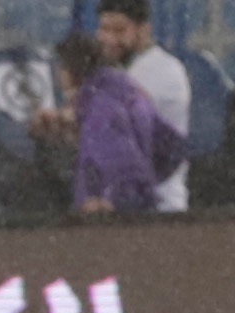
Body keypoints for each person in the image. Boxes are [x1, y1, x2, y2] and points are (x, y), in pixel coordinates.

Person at [58, 34, 183, 216]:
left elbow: (125, 171)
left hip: (118, 226)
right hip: (144, 219)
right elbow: (171, 148)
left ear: (70, 72)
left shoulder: (100, 112)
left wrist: (115, 202)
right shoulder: (126, 93)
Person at [99, 0, 192, 211]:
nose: (109, 39)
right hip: (120, 208)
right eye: (104, 29)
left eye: (119, 30)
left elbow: (114, 115)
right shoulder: (115, 70)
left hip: (161, 210)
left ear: (144, 29)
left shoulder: (164, 69)